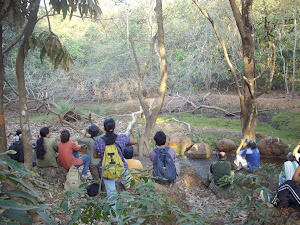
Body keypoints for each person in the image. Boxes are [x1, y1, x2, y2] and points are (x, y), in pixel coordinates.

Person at [93, 118, 137, 221]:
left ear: (104, 128)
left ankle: (114, 217)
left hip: (106, 170)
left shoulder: (99, 141)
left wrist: (104, 157)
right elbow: (134, 141)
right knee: (124, 163)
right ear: (114, 127)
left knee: (111, 193)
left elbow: (95, 155)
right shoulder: (121, 138)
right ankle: (126, 184)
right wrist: (125, 144)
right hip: (120, 168)